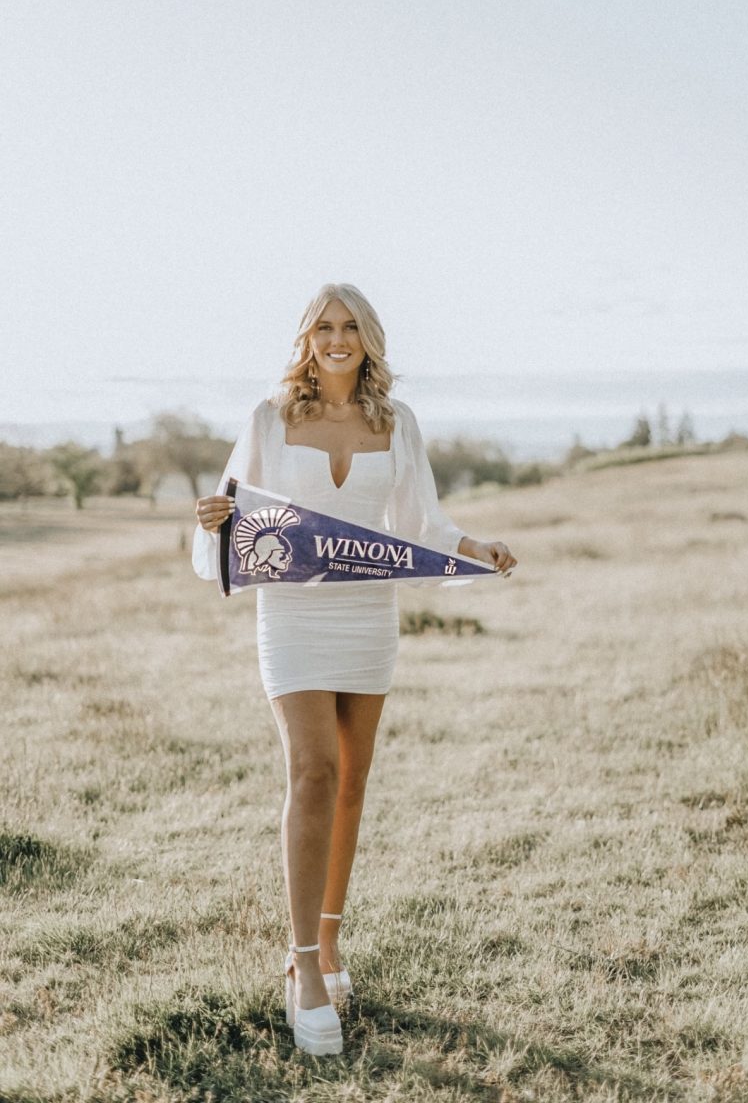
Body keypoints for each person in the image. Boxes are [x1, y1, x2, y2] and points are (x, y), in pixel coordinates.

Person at [193, 284, 517, 1055]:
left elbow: (420, 524)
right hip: (294, 617)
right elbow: (232, 512)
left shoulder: (394, 422)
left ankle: (331, 942)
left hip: (367, 620)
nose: (336, 339)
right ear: (305, 339)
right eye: (322, 328)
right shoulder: (270, 419)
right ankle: (303, 968)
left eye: (349, 327)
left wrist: (472, 548)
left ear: (368, 339)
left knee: (352, 780)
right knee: (312, 771)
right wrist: (211, 520)